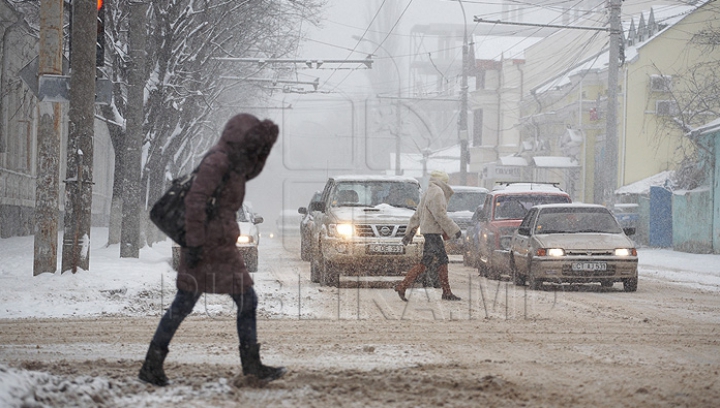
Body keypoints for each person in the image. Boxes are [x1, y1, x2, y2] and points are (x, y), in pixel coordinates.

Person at [139, 113, 285, 386]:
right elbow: (195, 200)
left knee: (225, 302)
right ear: (240, 138)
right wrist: (193, 244)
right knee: (190, 303)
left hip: (221, 246)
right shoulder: (218, 160)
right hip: (205, 246)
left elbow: (253, 169)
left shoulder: (235, 163)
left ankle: (153, 364)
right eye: (252, 141)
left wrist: (265, 145)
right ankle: (153, 364)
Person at [395, 170, 462, 302]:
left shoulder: (428, 192)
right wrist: (454, 230)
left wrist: (409, 233)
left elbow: (417, 215)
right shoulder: (437, 192)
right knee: (434, 262)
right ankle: (403, 286)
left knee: (434, 261)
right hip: (433, 234)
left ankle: (445, 291)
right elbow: (440, 215)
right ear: (443, 181)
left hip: (429, 233)